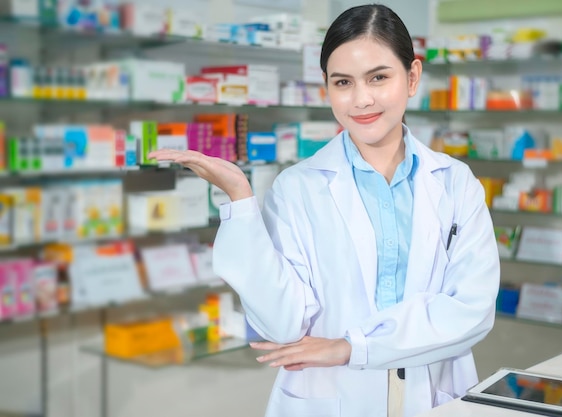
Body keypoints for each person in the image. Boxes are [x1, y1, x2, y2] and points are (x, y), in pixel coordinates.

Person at [148, 4, 500, 417]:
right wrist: (241, 201)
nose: (361, 99)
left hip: (432, 392)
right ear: (326, 87)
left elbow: (471, 311)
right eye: (343, 82)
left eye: (379, 77)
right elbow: (282, 326)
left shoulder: (456, 183)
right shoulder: (297, 187)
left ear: (412, 77)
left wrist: (352, 348)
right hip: (330, 398)